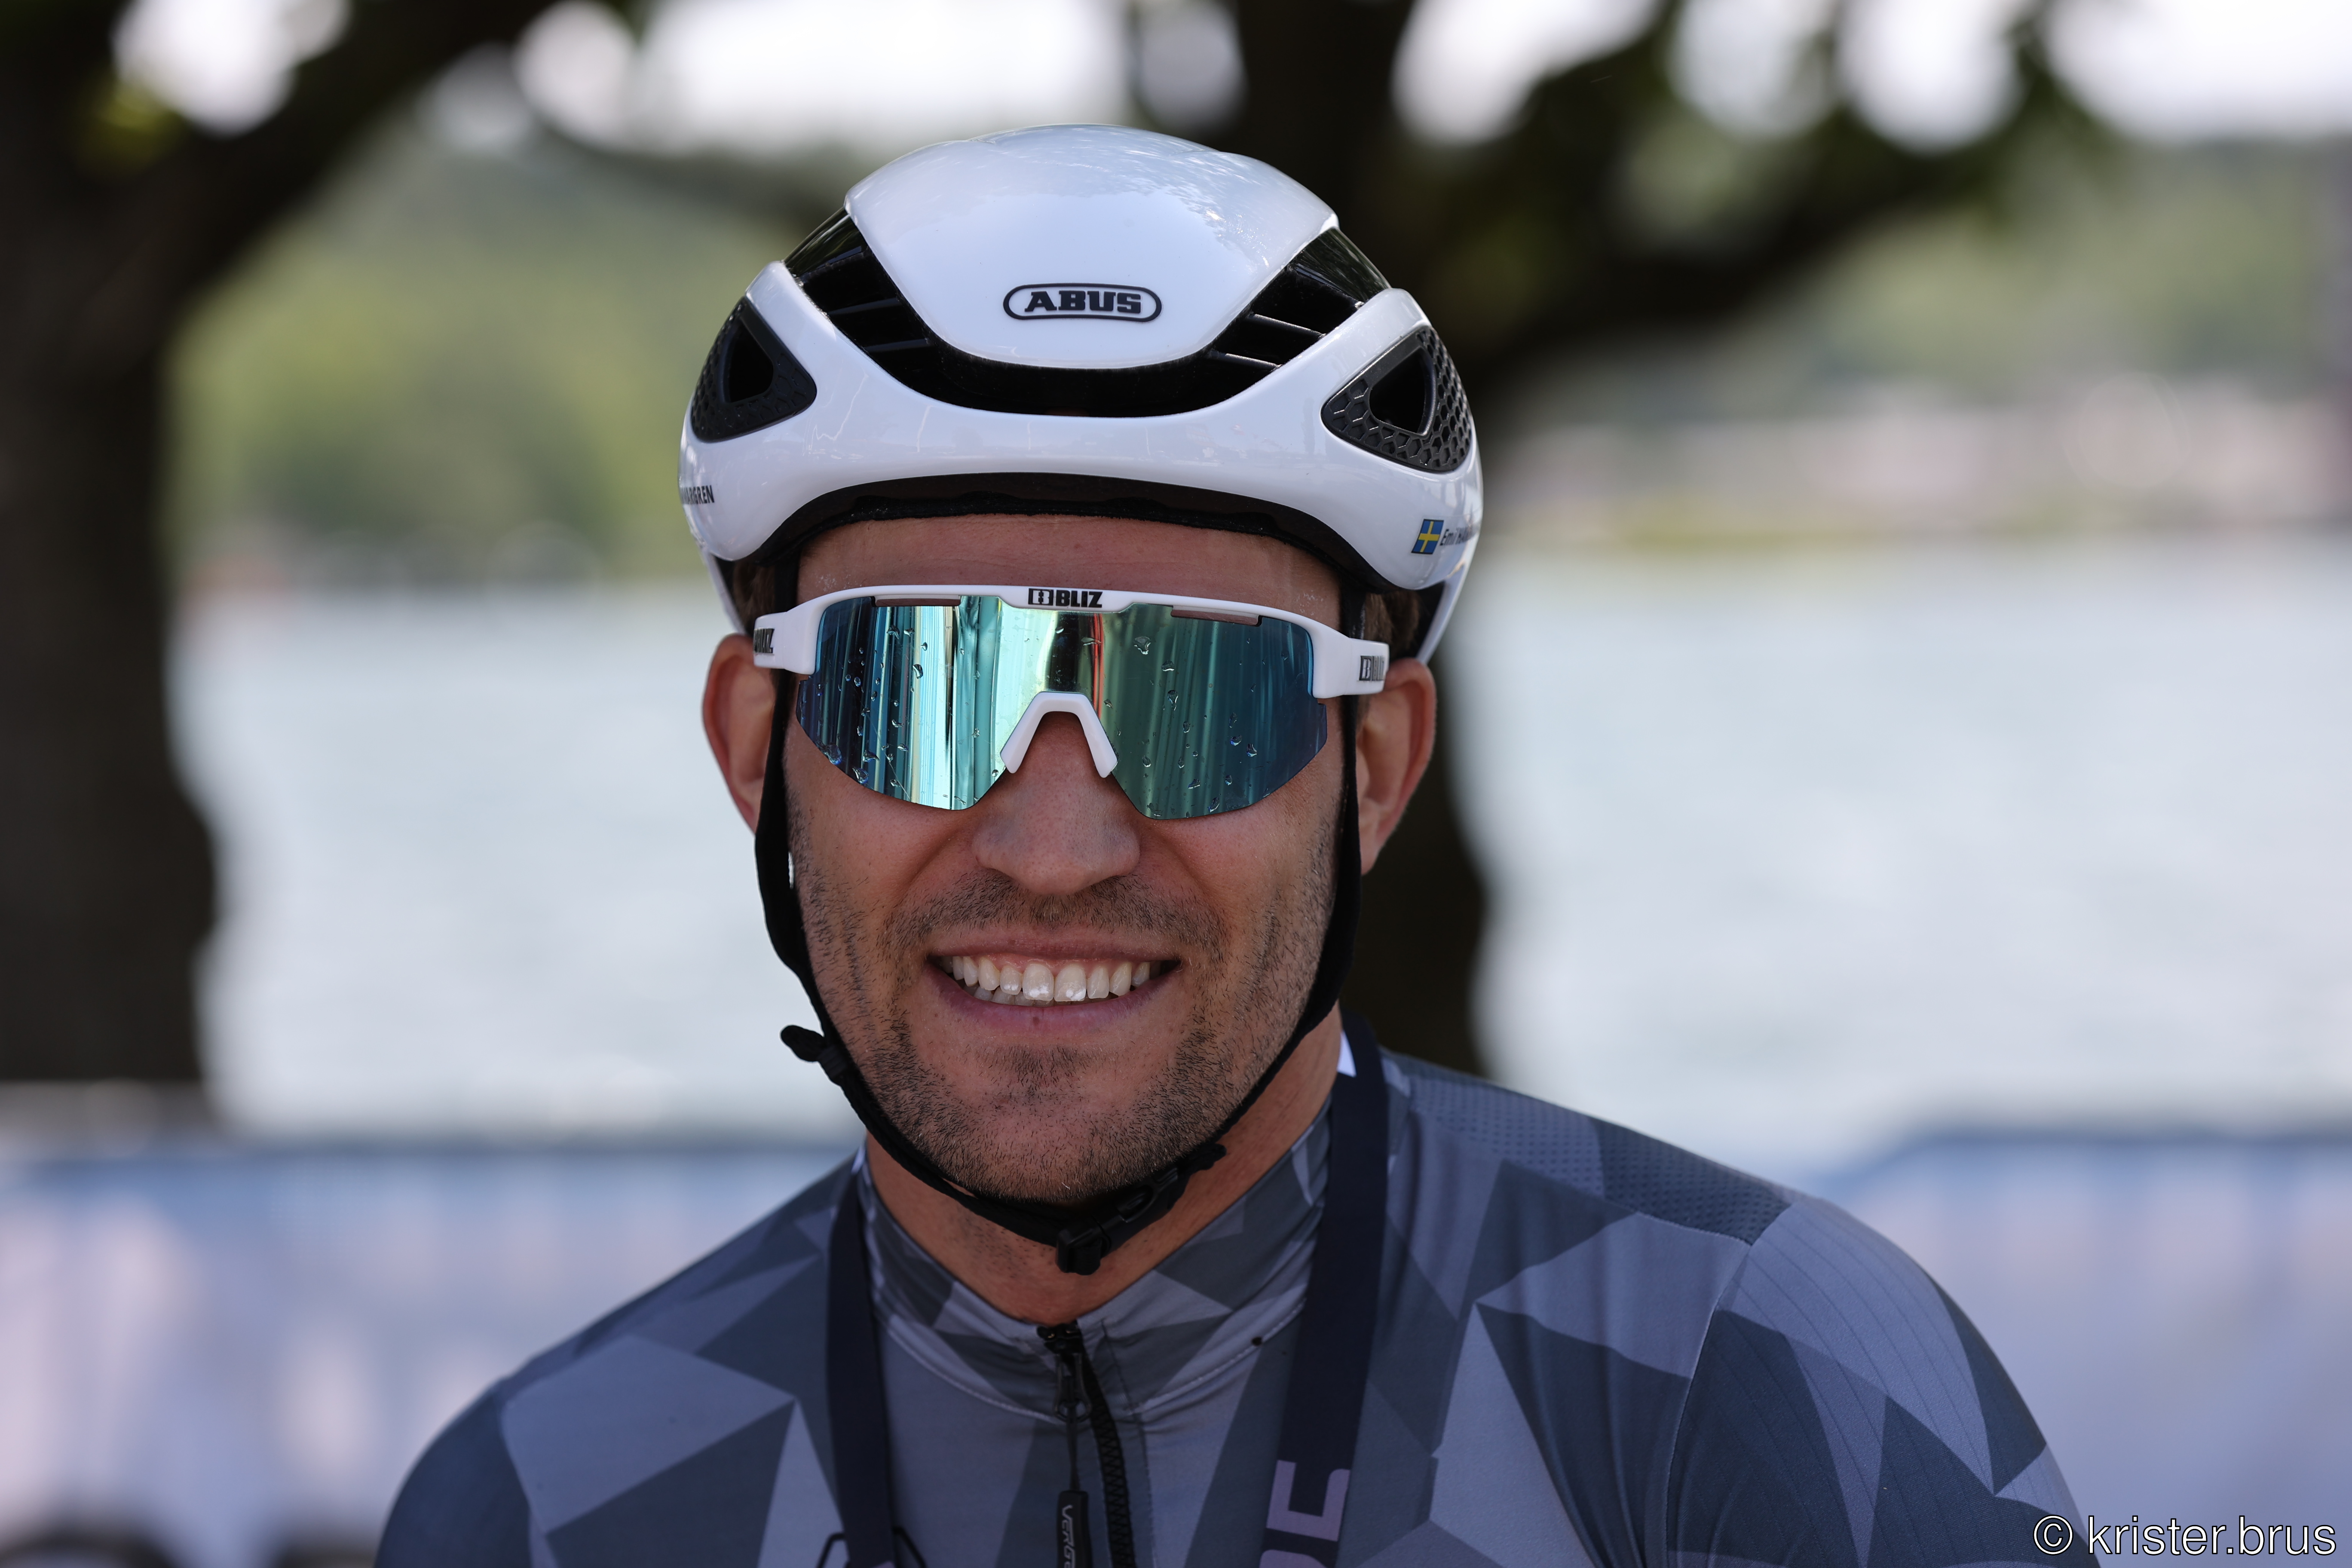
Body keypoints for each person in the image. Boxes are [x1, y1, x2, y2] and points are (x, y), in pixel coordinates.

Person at [381, 124, 2088, 1568]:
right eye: (927, 688)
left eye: (1200, 697)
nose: (1057, 849)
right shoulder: (539, 1509)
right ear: (761, 752)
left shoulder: (1758, 1382)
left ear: (1377, 767)